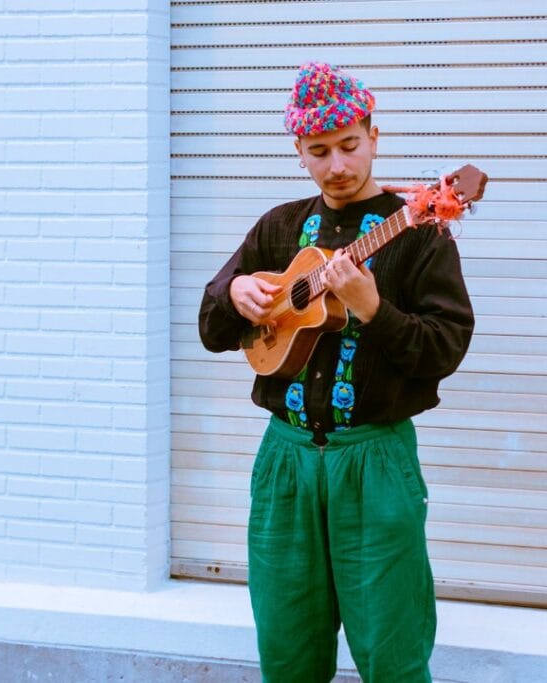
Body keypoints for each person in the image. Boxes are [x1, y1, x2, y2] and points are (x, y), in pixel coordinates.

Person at [198, 62, 474, 683]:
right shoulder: (278, 228)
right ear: (299, 152)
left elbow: (445, 348)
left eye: (349, 145)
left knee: (392, 650)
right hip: (286, 461)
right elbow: (212, 330)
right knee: (289, 650)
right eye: (319, 151)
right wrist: (236, 290)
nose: (338, 165)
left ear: (374, 135)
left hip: (374, 460)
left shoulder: (421, 232)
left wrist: (375, 310)